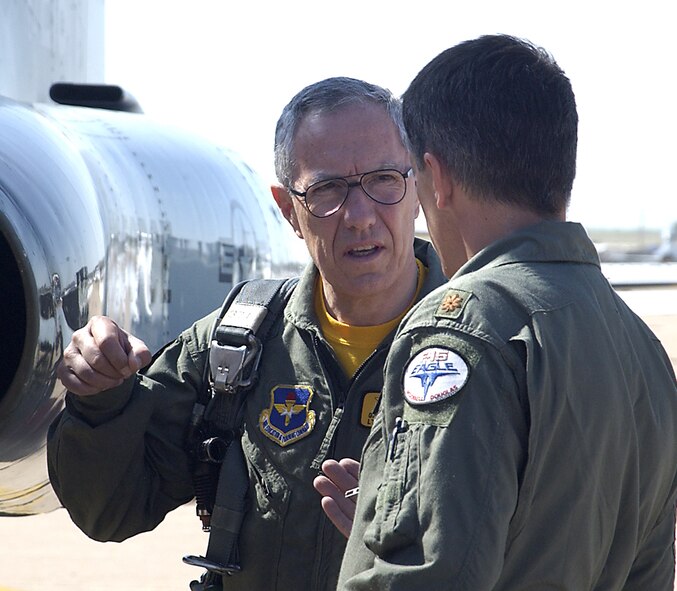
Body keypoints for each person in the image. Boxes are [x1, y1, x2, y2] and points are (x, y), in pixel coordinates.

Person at [47, 76, 447, 591]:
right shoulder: (237, 346)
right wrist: (101, 400)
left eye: (385, 179)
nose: (360, 215)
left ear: (418, 188)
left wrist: (409, 551)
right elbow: (110, 511)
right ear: (289, 212)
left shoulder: (482, 348)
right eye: (327, 190)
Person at [337, 35, 677, 590]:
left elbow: (431, 577)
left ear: (437, 177)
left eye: (414, 186)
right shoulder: (639, 343)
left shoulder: (463, 326)